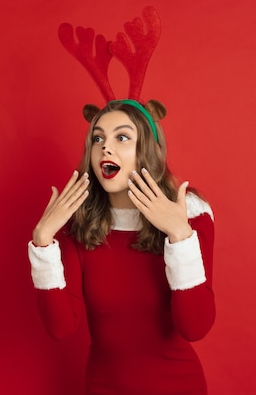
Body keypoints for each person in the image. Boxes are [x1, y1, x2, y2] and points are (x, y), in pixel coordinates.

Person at [27, 98, 215, 395]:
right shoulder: (78, 224)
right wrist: (43, 242)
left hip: (178, 386)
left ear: (149, 150)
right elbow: (61, 328)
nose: (105, 147)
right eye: (98, 138)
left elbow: (195, 327)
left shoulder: (190, 214)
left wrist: (179, 234)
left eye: (122, 137)